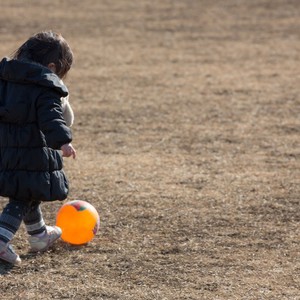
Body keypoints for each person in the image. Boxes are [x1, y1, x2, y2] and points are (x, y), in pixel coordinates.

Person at [0, 31, 76, 264]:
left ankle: (39, 235)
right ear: (51, 67)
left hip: (6, 150)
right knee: (23, 196)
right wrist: (63, 140)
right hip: (32, 150)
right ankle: (2, 239)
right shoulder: (46, 86)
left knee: (29, 190)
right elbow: (54, 117)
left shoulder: (6, 78)